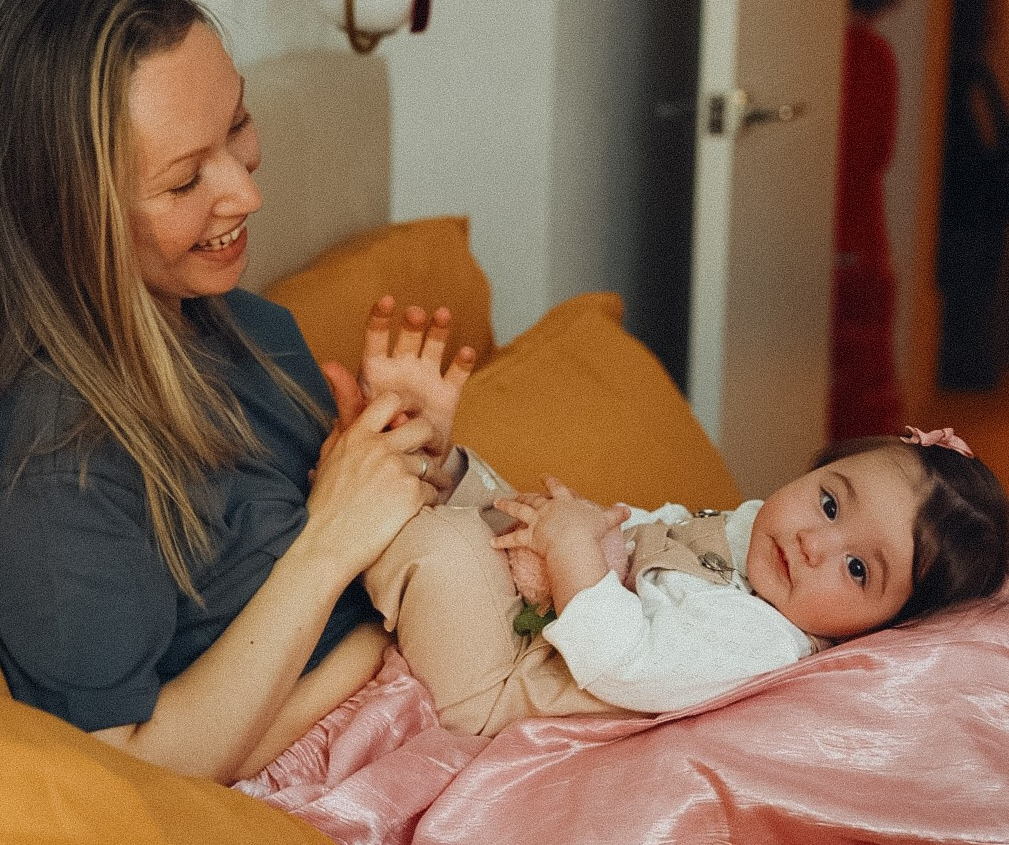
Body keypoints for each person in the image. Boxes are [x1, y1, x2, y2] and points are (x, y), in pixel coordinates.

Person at [0, 0, 468, 785]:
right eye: (185, 180)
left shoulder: (246, 327)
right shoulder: (51, 470)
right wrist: (336, 568)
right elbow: (125, 771)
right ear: (61, 220)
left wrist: (408, 462)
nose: (246, 195)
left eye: (238, 125)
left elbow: (374, 548)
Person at [326, 301, 1009, 739]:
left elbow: (624, 660)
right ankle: (425, 458)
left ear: (878, 630)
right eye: (829, 503)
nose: (813, 542)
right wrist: (582, 525)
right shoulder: (753, 534)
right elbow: (654, 529)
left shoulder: (762, 643)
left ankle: (381, 496)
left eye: (858, 570)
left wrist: (573, 552)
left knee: (446, 546)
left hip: (506, 697)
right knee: (509, 511)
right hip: (539, 622)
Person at [830, 0, 906, 439]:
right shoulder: (876, 53)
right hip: (864, 234)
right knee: (862, 371)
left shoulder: (838, 54)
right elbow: (878, 152)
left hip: (843, 233)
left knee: (841, 374)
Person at [937, 0, 1009, 390]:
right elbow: (990, 149)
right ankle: (967, 372)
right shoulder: (969, 76)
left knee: (968, 293)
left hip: (968, 208)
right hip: (971, 211)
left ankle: (968, 369)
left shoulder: (961, 73)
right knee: (970, 293)